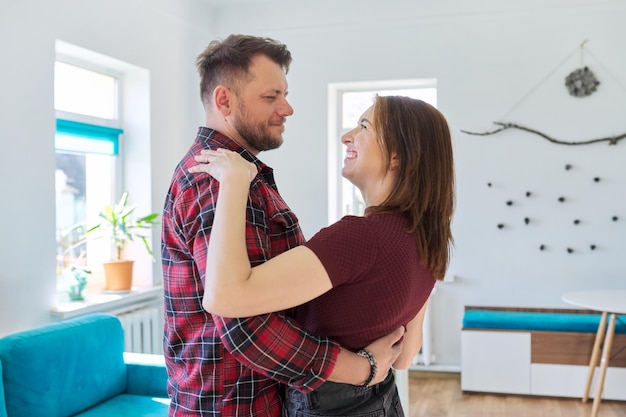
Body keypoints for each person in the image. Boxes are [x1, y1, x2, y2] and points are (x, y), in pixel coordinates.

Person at [162, 34, 405, 417]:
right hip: (233, 406)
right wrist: (361, 369)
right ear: (224, 100)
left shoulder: (239, 176)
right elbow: (242, 324)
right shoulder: (218, 181)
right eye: (271, 97)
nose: (287, 108)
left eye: (285, 94)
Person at [189, 94, 455, 416]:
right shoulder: (428, 240)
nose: (347, 137)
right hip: (381, 400)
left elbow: (224, 297)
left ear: (397, 156)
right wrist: (367, 365)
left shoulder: (360, 237)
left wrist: (233, 181)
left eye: (364, 127)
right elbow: (404, 355)